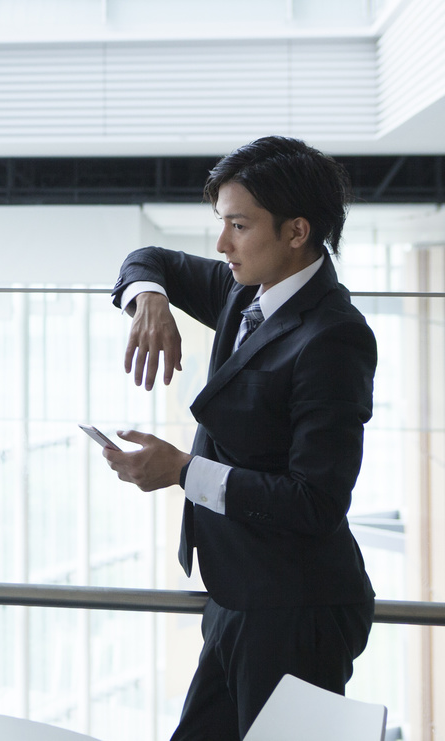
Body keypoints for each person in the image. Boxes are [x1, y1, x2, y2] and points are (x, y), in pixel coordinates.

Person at [106, 136, 376, 740]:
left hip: (298, 608)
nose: (223, 244)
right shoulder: (245, 292)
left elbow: (316, 501)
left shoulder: (334, 337)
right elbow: (149, 258)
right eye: (221, 224)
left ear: (296, 231)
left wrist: (182, 472)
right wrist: (148, 297)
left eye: (238, 225)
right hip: (238, 594)